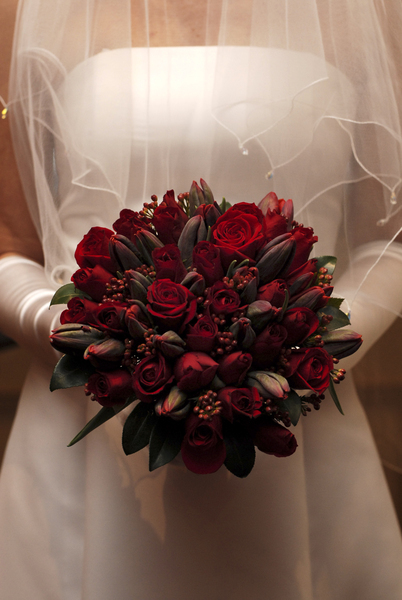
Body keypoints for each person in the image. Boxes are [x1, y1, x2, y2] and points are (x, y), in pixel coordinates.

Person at [0, 1, 402, 598]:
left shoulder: (372, 10)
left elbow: (386, 239)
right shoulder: (22, 8)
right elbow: (11, 243)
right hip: (87, 425)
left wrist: (299, 352)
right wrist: (94, 338)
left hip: (299, 431)